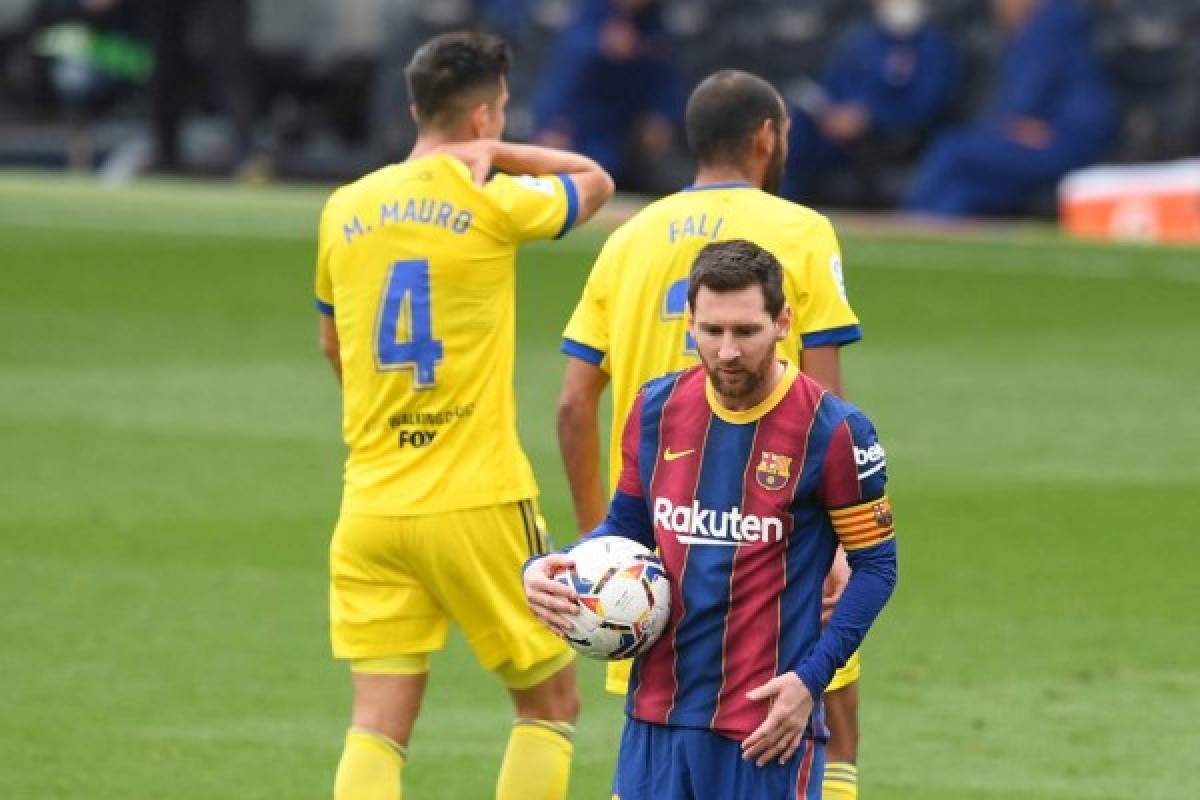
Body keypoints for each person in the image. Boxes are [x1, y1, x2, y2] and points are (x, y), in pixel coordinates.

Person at [314, 31, 614, 800]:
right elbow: (597, 181)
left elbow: (334, 345)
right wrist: (505, 154)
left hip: (372, 502)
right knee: (551, 703)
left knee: (377, 725)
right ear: (486, 116)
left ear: (414, 106)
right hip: (476, 498)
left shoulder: (344, 208)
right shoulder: (490, 199)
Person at [556, 69, 868, 799]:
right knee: (823, 716)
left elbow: (574, 406)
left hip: (659, 543)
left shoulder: (627, 237)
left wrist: (603, 552)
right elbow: (824, 398)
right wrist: (839, 541)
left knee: (662, 727)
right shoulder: (800, 230)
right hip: (776, 539)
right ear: (767, 136)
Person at [527, 240, 899, 798]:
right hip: (656, 719)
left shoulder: (834, 430)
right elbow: (626, 527)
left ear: (782, 323)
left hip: (766, 729)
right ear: (690, 324)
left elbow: (877, 568)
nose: (727, 351)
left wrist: (810, 681)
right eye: (711, 330)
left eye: (746, 331)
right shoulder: (656, 409)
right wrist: (551, 570)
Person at [904, 0, 1114, 216]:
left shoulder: (1049, 26)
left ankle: (915, 224)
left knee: (952, 151)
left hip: (1061, 140)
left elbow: (1025, 100)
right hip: (1053, 135)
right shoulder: (1051, 25)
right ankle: (931, 230)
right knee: (962, 186)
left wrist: (1006, 125)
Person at [784, 0, 960, 204]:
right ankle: (781, 204)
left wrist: (870, 117)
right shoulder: (860, 40)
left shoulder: (934, 45)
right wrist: (831, 114)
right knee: (796, 128)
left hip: (890, 137)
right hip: (836, 134)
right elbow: (832, 86)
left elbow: (928, 105)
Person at [532, 0, 683, 192]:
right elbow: (562, 78)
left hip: (628, 137)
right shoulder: (590, 16)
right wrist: (552, 125)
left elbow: (666, 80)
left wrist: (661, 117)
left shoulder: (656, 24)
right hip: (583, 132)